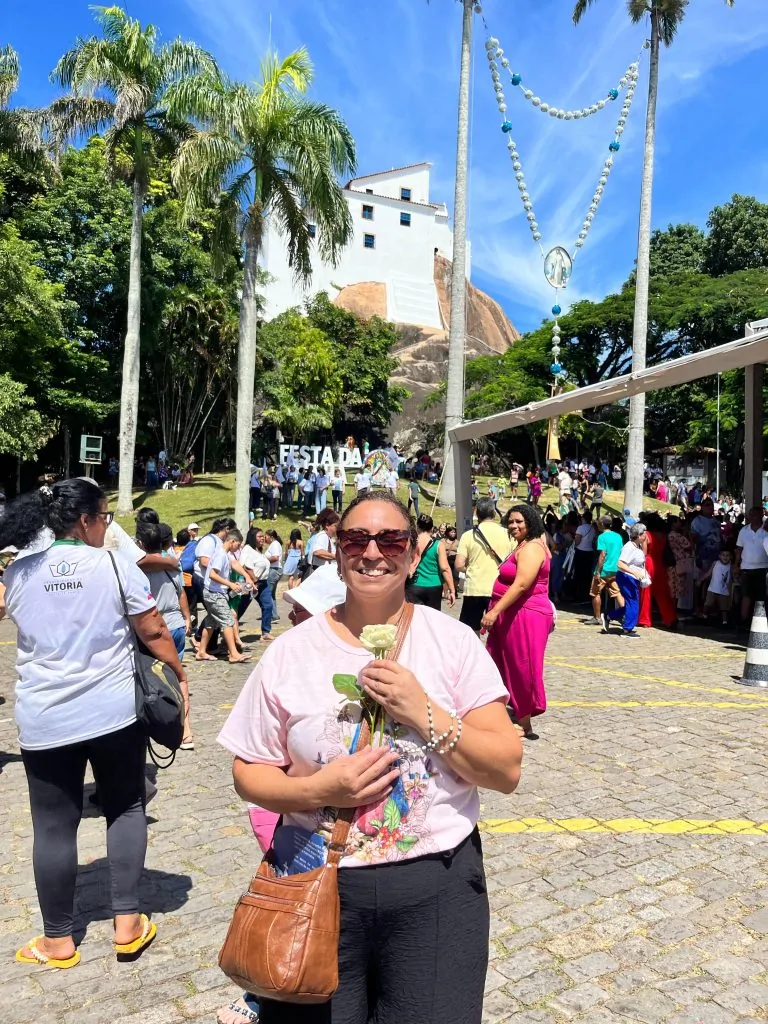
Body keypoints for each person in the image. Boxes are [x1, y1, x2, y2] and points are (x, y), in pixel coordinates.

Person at [217, 489, 522, 1024]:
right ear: (338, 551)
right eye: (357, 538)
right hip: (316, 883)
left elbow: (505, 769)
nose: (373, 552)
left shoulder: (452, 643)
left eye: (391, 539)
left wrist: (423, 709)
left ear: (412, 552)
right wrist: (316, 791)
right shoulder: (293, 650)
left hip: (436, 888)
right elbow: (248, 772)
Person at [0, 479, 188, 969]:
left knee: (53, 828)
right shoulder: (112, 564)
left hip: (45, 717)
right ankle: (127, 925)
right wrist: (179, 674)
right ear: (85, 521)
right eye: (104, 518)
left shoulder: (18, 572)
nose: (107, 527)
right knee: (125, 807)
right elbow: (152, 629)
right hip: (113, 714)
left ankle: (58, 942)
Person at [482, 505, 552, 740]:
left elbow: (522, 584)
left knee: (522, 666)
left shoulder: (532, 547)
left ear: (530, 522)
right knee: (497, 661)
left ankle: (525, 724)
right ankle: (501, 711)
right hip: (511, 614)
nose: (513, 526)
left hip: (525, 614)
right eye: (510, 522)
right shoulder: (523, 545)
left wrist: (494, 612)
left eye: (519, 522)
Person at [137, 522, 194, 750]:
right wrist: (187, 617)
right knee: (177, 676)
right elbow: (181, 592)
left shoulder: (139, 567)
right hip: (176, 624)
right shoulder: (172, 564)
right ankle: (186, 731)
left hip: (155, 626)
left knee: (151, 679)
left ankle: (155, 725)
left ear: (140, 544)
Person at [455, 498, 512, 633]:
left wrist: (469, 568)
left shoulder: (469, 535)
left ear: (477, 513)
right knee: (499, 631)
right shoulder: (507, 534)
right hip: (499, 588)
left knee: (470, 632)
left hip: (475, 588)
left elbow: (459, 564)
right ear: (493, 512)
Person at [195, 529, 251, 663]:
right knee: (228, 621)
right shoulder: (220, 554)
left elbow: (227, 569)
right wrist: (230, 584)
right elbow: (212, 574)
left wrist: (237, 581)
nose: (238, 548)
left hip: (215, 592)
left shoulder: (224, 554)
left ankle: (202, 651)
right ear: (232, 541)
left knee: (211, 622)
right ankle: (233, 653)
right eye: (238, 545)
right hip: (214, 593)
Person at [604, 522, 649, 637]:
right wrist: (634, 572)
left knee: (631, 603)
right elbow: (620, 563)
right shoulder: (629, 547)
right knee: (633, 602)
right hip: (626, 577)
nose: (646, 535)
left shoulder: (637, 546)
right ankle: (627, 629)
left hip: (632, 578)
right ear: (638, 535)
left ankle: (610, 616)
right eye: (644, 533)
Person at [406, 513, 456, 610]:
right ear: (432, 528)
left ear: (417, 526)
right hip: (434, 586)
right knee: (432, 619)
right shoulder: (438, 545)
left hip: (414, 585)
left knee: (415, 618)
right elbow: (445, 568)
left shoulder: (410, 543)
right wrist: (452, 590)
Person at [734, 506, 768, 629]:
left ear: (760, 516)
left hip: (763, 568)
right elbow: (739, 549)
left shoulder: (766, 531)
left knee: (761, 597)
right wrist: (736, 565)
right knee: (746, 595)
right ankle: (743, 621)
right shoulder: (743, 531)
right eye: (750, 515)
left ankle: (760, 623)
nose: (752, 518)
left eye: (755, 515)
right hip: (746, 567)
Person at [240, 528, 274, 644]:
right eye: (259, 536)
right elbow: (244, 566)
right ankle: (227, 629)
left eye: (263, 536)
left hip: (263, 583)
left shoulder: (259, 551)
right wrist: (253, 579)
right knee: (240, 608)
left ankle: (266, 632)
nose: (262, 539)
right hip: (251, 583)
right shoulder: (247, 549)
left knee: (268, 605)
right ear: (253, 537)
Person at [590, 514, 624, 626]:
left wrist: (598, 572)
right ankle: (625, 614)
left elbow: (602, 554)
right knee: (617, 593)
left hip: (604, 569)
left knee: (595, 592)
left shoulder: (602, 537)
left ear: (602, 524)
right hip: (616, 569)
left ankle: (597, 617)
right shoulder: (618, 537)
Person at [702, 549, 733, 625]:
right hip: (712, 589)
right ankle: (704, 616)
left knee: (724, 608)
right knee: (708, 604)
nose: (725, 557)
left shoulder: (731, 566)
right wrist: (701, 580)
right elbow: (709, 573)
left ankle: (724, 622)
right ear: (719, 556)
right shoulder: (716, 563)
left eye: (727, 555)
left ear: (731, 557)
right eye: (723, 555)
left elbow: (733, 577)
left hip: (724, 591)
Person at [264, 528, 283, 616]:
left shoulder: (275, 544)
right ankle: (274, 615)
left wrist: (264, 560)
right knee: (271, 594)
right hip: (274, 570)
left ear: (271, 537)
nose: (264, 538)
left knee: (267, 593)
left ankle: (271, 615)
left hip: (274, 570)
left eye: (266, 536)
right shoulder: (274, 544)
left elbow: (275, 557)